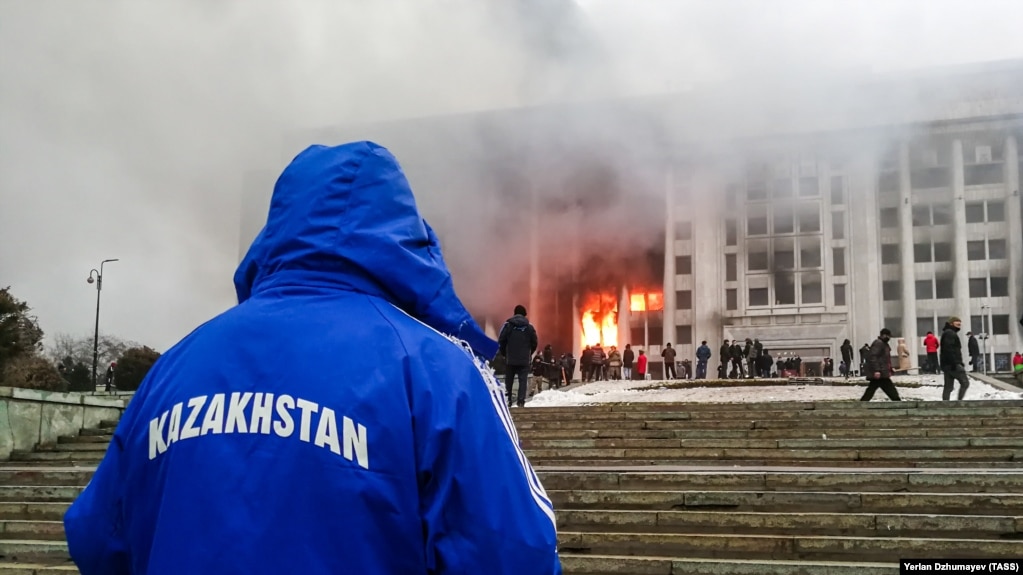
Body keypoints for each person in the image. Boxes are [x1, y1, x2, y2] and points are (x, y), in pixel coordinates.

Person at [62, 143, 560, 575]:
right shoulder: (440, 373)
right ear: (406, 237)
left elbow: (97, 536)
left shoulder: (173, 368)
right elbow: (515, 552)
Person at [499, 305, 539, 408]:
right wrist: (529, 353)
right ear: (524, 314)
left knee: (509, 381)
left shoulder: (508, 325)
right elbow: (534, 342)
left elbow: (501, 340)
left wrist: (504, 354)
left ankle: (508, 401)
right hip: (524, 360)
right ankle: (521, 402)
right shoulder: (529, 327)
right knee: (522, 381)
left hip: (510, 359)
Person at [861, 328, 902, 402]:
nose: (889, 338)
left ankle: (861, 404)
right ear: (884, 335)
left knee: (871, 390)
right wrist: (877, 370)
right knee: (891, 390)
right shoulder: (879, 343)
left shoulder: (883, 344)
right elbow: (873, 357)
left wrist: (890, 368)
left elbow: (885, 360)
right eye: (888, 336)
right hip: (881, 373)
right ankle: (898, 403)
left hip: (882, 372)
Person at [939, 316, 970, 401]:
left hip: (947, 365)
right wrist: (955, 363)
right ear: (951, 323)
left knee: (948, 387)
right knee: (965, 383)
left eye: (960, 321)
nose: (959, 323)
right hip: (952, 364)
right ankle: (959, 402)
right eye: (956, 321)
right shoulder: (950, 333)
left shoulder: (948, 332)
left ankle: (945, 404)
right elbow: (949, 349)